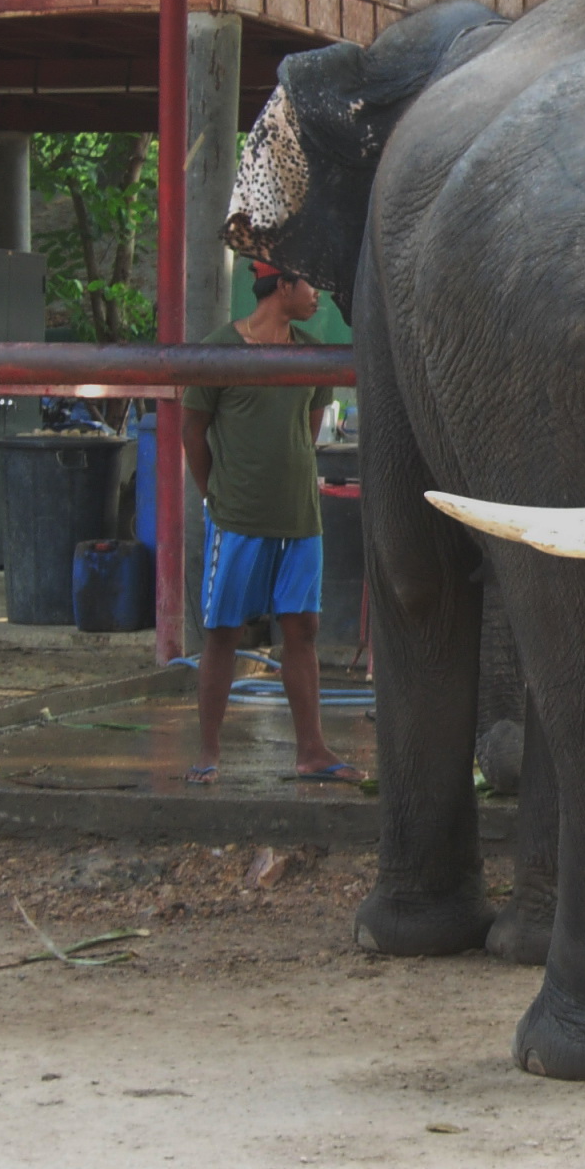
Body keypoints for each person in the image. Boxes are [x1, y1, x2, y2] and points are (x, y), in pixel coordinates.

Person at [180, 261, 360, 785]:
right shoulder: (220, 349)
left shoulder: (311, 354)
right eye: (310, 286)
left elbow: (307, 431)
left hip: (300, 517)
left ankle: (312, 751)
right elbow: (194, 432)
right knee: (223, 632)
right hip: (237, 517)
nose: (318, 297)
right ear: (282, 286)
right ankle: (208, 753)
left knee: (302, 628)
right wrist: (213, 494)